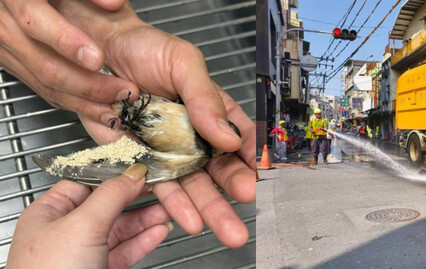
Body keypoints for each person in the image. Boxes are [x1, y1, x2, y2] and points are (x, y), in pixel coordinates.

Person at [3, 0, 255, 265]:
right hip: (133, 96)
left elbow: (153, 163)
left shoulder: (196, 157)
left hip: (127, 113)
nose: (218, 142)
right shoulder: (195, 136)